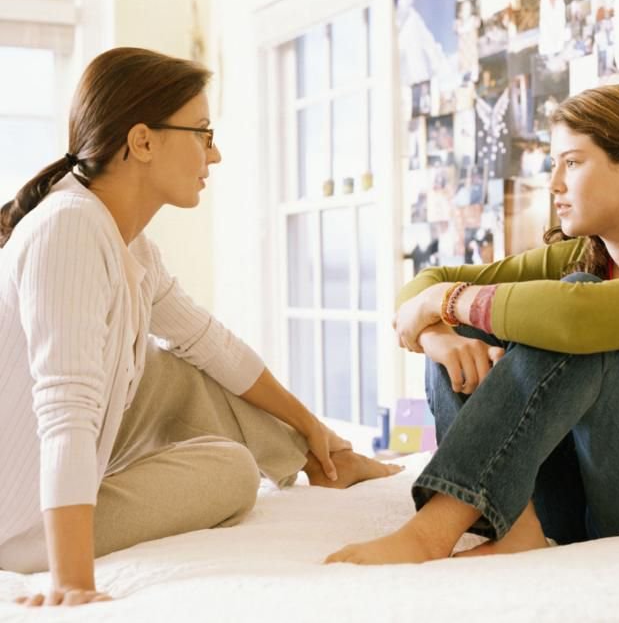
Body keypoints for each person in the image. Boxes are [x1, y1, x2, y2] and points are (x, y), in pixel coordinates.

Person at [0, 47, 400, 606]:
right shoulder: (68, 230)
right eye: (203, 134)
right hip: (18, 522)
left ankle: (324, 460)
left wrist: (314, 428)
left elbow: (210, 343)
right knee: (231, 471)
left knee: (173, 367)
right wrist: (71, 583)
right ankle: (305, 460)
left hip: (63, 452)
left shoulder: (126, 240)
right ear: (142, 141)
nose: (214, 155)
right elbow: (64, 411)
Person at [325, 84, 619, 565]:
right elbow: (426, 283)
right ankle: (518, 526)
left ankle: (431, 531)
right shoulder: (585, 254)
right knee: (471, 328)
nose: (554, 184)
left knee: (577, 301)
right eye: (554, 165)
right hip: (572, 497)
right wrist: (438, 332)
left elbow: (577, 317)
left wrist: (447, 300)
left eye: (573, 162)